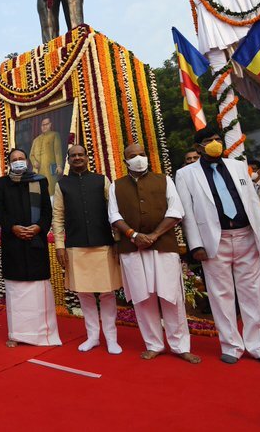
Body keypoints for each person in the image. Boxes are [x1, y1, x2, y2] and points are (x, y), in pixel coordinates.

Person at [176, 128, 260, 365]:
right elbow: (188, 213)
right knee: (221, 294)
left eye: (218, 139)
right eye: (209, 141)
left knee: (252, 292)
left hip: (244, 236)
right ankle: (231, 345)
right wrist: (195, 245)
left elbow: (253, 203)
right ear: (199, 147)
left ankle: (258, 346)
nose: (215, 143)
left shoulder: (238, 166)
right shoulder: (186, 174)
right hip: (214, 240)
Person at [109, 143, 200, 364]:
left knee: (171, 297)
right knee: (142, 298)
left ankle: (180, 346)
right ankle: (154, 344)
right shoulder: (116, 186)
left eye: (141, 154)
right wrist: (133, 235)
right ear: (125, 161)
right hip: (133, 249)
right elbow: (113, 215)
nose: (138, 158)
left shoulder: (165, 180)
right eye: (133, 155)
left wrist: (155, 235)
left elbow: (176, 211)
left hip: (163, 246)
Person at [52, 145, 122, 354]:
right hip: (76, 246)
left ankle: (111, 338)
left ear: (86, 157)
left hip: (104, 245)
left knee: (108, 294)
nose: (77, 158)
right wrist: (59, 245)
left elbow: (113, 212)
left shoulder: (102, 180)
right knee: (84, 294)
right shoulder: (62, 185)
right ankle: (93, 336)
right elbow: (58, 217)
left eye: (80, 154)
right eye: (73, 155)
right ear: (68, 159)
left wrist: (118, 240)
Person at [0, 148, 61, 347]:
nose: (18, 161)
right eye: (14, 159)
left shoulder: (39, 180)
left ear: (27, 161)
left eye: (21, 158)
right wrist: (13, 227)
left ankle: (43, 334)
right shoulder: (1, 183)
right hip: (13, 244)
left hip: (35, 243)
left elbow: (47, 211)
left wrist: (38, 227)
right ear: (9, 163)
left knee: (38, 291)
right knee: (17, 292)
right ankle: (18, 335)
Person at [29, 117, 63, 195]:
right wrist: (34, 162)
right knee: (40, 190)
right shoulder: (36, 140)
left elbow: (57, 152)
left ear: (50, 124)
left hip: (51, 168)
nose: (44, 126)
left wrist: (59, 165)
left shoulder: (54, 135)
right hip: (38, 170)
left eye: (46, 124)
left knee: (52, 190)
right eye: (42, 125)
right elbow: (31, 155)